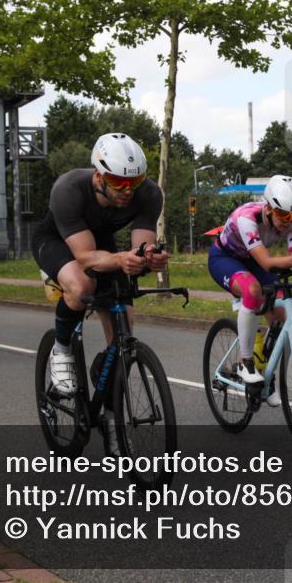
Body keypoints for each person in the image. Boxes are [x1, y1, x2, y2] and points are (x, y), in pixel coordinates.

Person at [32, 133, 169, 398]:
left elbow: (142, 246)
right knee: (82, 284)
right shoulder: (68, 189)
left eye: (135, 181)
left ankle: (109, 391)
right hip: (56, 240)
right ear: (99, 176)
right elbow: (84, 257)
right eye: (118, 181)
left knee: (125, 321)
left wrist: (149, 258)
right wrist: (120, 258)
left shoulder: (149, 193)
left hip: (100, 240)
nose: (128, 190)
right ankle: (61, 349)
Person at [207, 175, 292, 407]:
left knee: (281, 316)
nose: (289, 220)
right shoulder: (246, 219)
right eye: (283, 214)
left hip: (255, 260)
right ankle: (246, 361)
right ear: (269, 207)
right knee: (252, 291)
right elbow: (268, 263)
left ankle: (266, 376)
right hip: (225, 258)